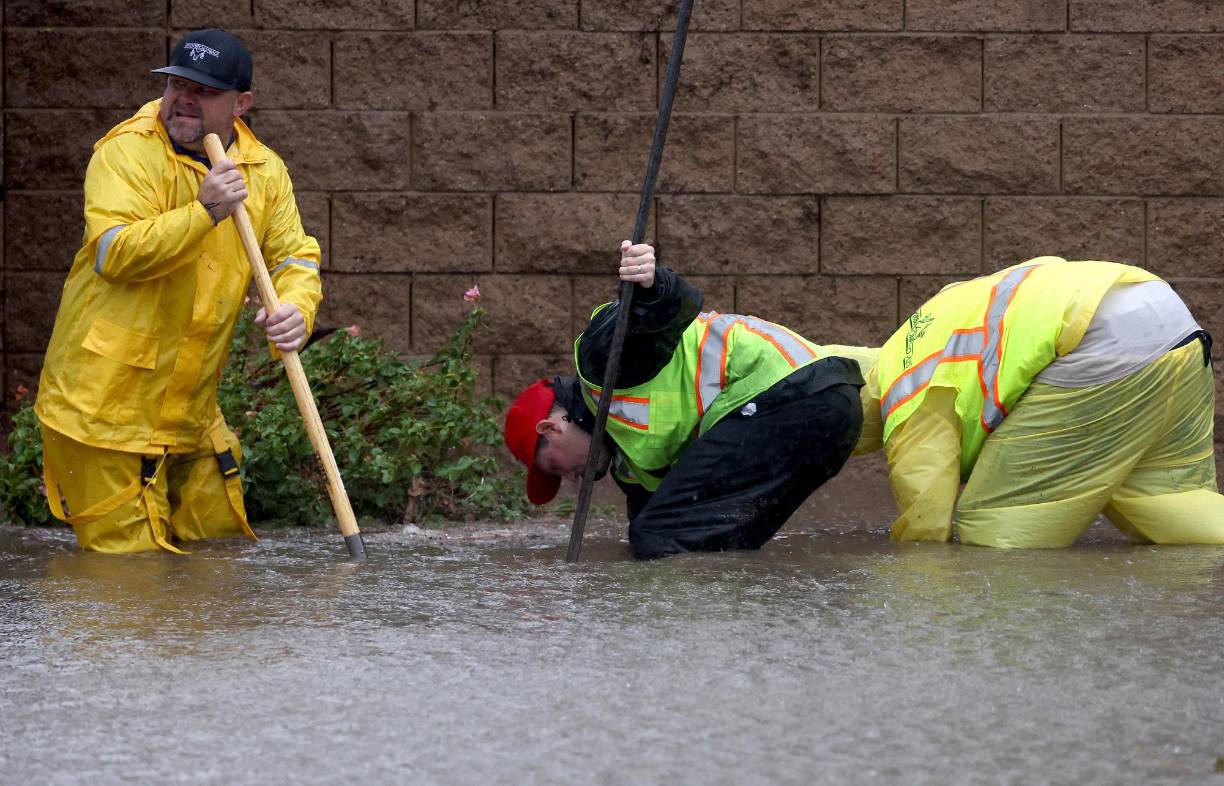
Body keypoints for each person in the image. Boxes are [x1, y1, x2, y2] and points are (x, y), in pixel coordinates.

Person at [34, 29, 323, 553]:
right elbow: (114, 255)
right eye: (177, 83)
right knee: (130, 580)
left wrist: (296, 308)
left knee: (218, 553)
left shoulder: (264, 170)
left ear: (242, 104)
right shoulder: (125, 153)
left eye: (205, 91)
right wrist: (205, 211)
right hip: (103, 411)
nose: (184, 98)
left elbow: (295, 254)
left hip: (188, 408)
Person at [503, 241, 872, 559]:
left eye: (556, 467)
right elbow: (653, 516)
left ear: (551, 428)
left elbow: (659, 311)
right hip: (831, 411)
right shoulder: (631, 465)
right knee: (704, 540)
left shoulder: (600, 367)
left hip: (793, 395)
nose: (572, 479)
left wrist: (648, 285)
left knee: (658, 540)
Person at [860, 255, 1224, 547]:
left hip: (1101, 343)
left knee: (994, 526)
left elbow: (927, 510)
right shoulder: (931, 321)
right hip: (1169, 320)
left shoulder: (902, 389)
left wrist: (914, 558)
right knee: (1167, 497)